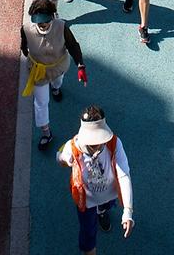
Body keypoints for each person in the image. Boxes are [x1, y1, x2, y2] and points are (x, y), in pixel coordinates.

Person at [57, 105, 134, 255]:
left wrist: (128, 211)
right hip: (86, 200)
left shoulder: (114, 143)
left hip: (108, 194)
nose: (97, 144)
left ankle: (102, 212)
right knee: (88, 231)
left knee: (106, 206)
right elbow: (58, 157)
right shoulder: (72, 147)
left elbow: (124, 175)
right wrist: (65, 159)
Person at [20, 0, 88, 150]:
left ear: (52, 17)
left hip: (58, 67)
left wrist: (80, 65)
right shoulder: (26, 29)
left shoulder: (62, 27)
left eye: (44, 21)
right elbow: (24, 45)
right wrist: (29, 56)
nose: (41, 25)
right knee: (41, 103)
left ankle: (56, 88)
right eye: (38, 22)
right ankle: (46, 133)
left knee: (57, 82)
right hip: (38, 73)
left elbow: (73, 46)